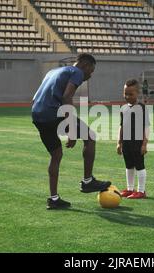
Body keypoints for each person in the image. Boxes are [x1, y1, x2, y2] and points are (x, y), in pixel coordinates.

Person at [31, 53, 111, 210]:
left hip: (37, 114)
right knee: (90, 137)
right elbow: (67, 97)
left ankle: (53, 199)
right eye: (91, 71)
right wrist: (72, 131)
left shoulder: (52, 72)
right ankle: (87, 181)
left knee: (56, 154)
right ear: (85, 65)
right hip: (53, 112)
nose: (90, 75)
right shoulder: (77, 72)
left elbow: (35, 98)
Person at [116, 79, 150, 199]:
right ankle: (130, 189)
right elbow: (121, 126)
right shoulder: (123, 108)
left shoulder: (141, 108)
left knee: (139, 165)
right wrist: (119, 142)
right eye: (125, 93)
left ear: (137, 93)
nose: (128, 96)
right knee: (129, 165)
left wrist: (144, 144)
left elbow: (146, 126)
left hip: (137, 142)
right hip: (126, 142)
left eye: (131, 94)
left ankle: (141, 191)